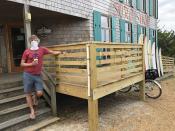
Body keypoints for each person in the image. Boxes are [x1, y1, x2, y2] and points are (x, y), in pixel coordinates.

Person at [21, 35, 62, 119]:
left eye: (35, 39)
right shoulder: (27, 51)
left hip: (37, 75)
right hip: (28, 74)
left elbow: (52, 52)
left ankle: (35, 96)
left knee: (40, 93)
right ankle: (32, 111)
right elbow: (22, 64)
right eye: (32, 40)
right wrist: (31, 64)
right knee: (27, 93)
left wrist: (60, 52)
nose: (34, 41)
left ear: (38, 40)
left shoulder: (42, 49)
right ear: (30, 42)